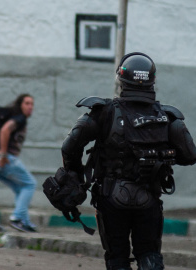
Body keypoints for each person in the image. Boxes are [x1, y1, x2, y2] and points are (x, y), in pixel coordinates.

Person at [61, 52, 196, 269]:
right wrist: (162, 156)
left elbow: (69, 147)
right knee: (150, 256)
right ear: (152, 80)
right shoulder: (168, 117)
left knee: (117, 259)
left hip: (110, 198)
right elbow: (190, 155)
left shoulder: (103, 113)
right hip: (149, 198)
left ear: (121, 80)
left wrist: (75, 177)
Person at [0, 93, 37, 232]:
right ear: (20, 105)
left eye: (32, 104)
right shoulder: (19, 118)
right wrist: (3, 155)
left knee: (20, 189)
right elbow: (4, 131)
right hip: (5, 160)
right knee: (30, 184)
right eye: (26, 103)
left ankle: (25, 222)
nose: (30, 107)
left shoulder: (14, 118)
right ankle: (17, 218)